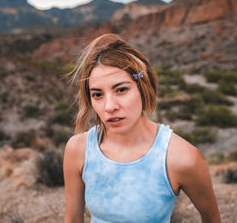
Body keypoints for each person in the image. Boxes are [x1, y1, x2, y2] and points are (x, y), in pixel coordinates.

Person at [63, 33, 220, 223]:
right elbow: (72, 219)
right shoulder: (78, 150)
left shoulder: (181, 158)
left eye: (121, 90)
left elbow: (211, 219)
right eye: (97, 94)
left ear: (143, 88)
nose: (109, 106)